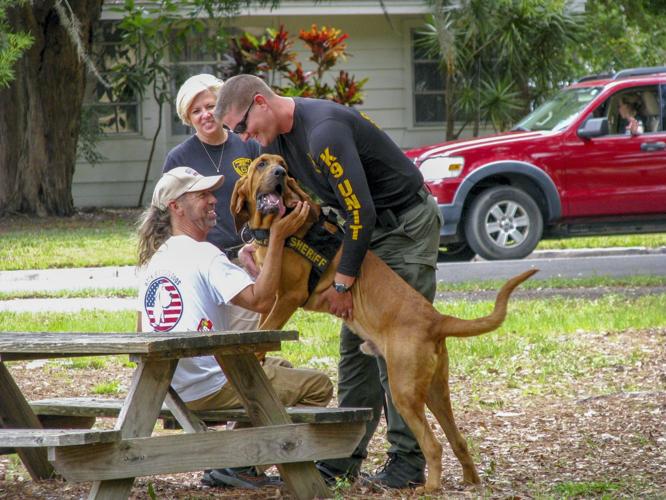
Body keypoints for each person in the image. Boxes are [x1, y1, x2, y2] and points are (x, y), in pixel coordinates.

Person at [215, 75, 443, 489]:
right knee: (355, 347)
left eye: (243, 126)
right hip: (363, 233)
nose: (245, 137)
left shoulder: (324, 132)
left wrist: (341, 284)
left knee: (394, 345)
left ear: (261, 103)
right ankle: (342, 460)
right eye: (237, 132)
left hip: (402, 226)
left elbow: (362, 213)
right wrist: (259, 245)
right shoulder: (273, 145)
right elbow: (301, 208)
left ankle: (408, 464)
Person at [136, 167, 333, 489]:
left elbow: (142, 328)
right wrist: (279, 237)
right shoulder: (204, 254)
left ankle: (239, 462)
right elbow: (262, 300)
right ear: (176, 206)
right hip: (209, 386)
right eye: (202, 195)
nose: (213, 200)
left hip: (169, 385)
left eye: (212, 193)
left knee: (280, 366)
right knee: (318, 386)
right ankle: (242, 464)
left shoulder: (154, 260)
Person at [163, 73, 261, 261]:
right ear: (188, 118)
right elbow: (167, 218)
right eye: (196, 111)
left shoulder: (249, 144)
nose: (205, 115)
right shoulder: (178, 159)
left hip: (252, 255)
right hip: (203, 259)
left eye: (210, 106)